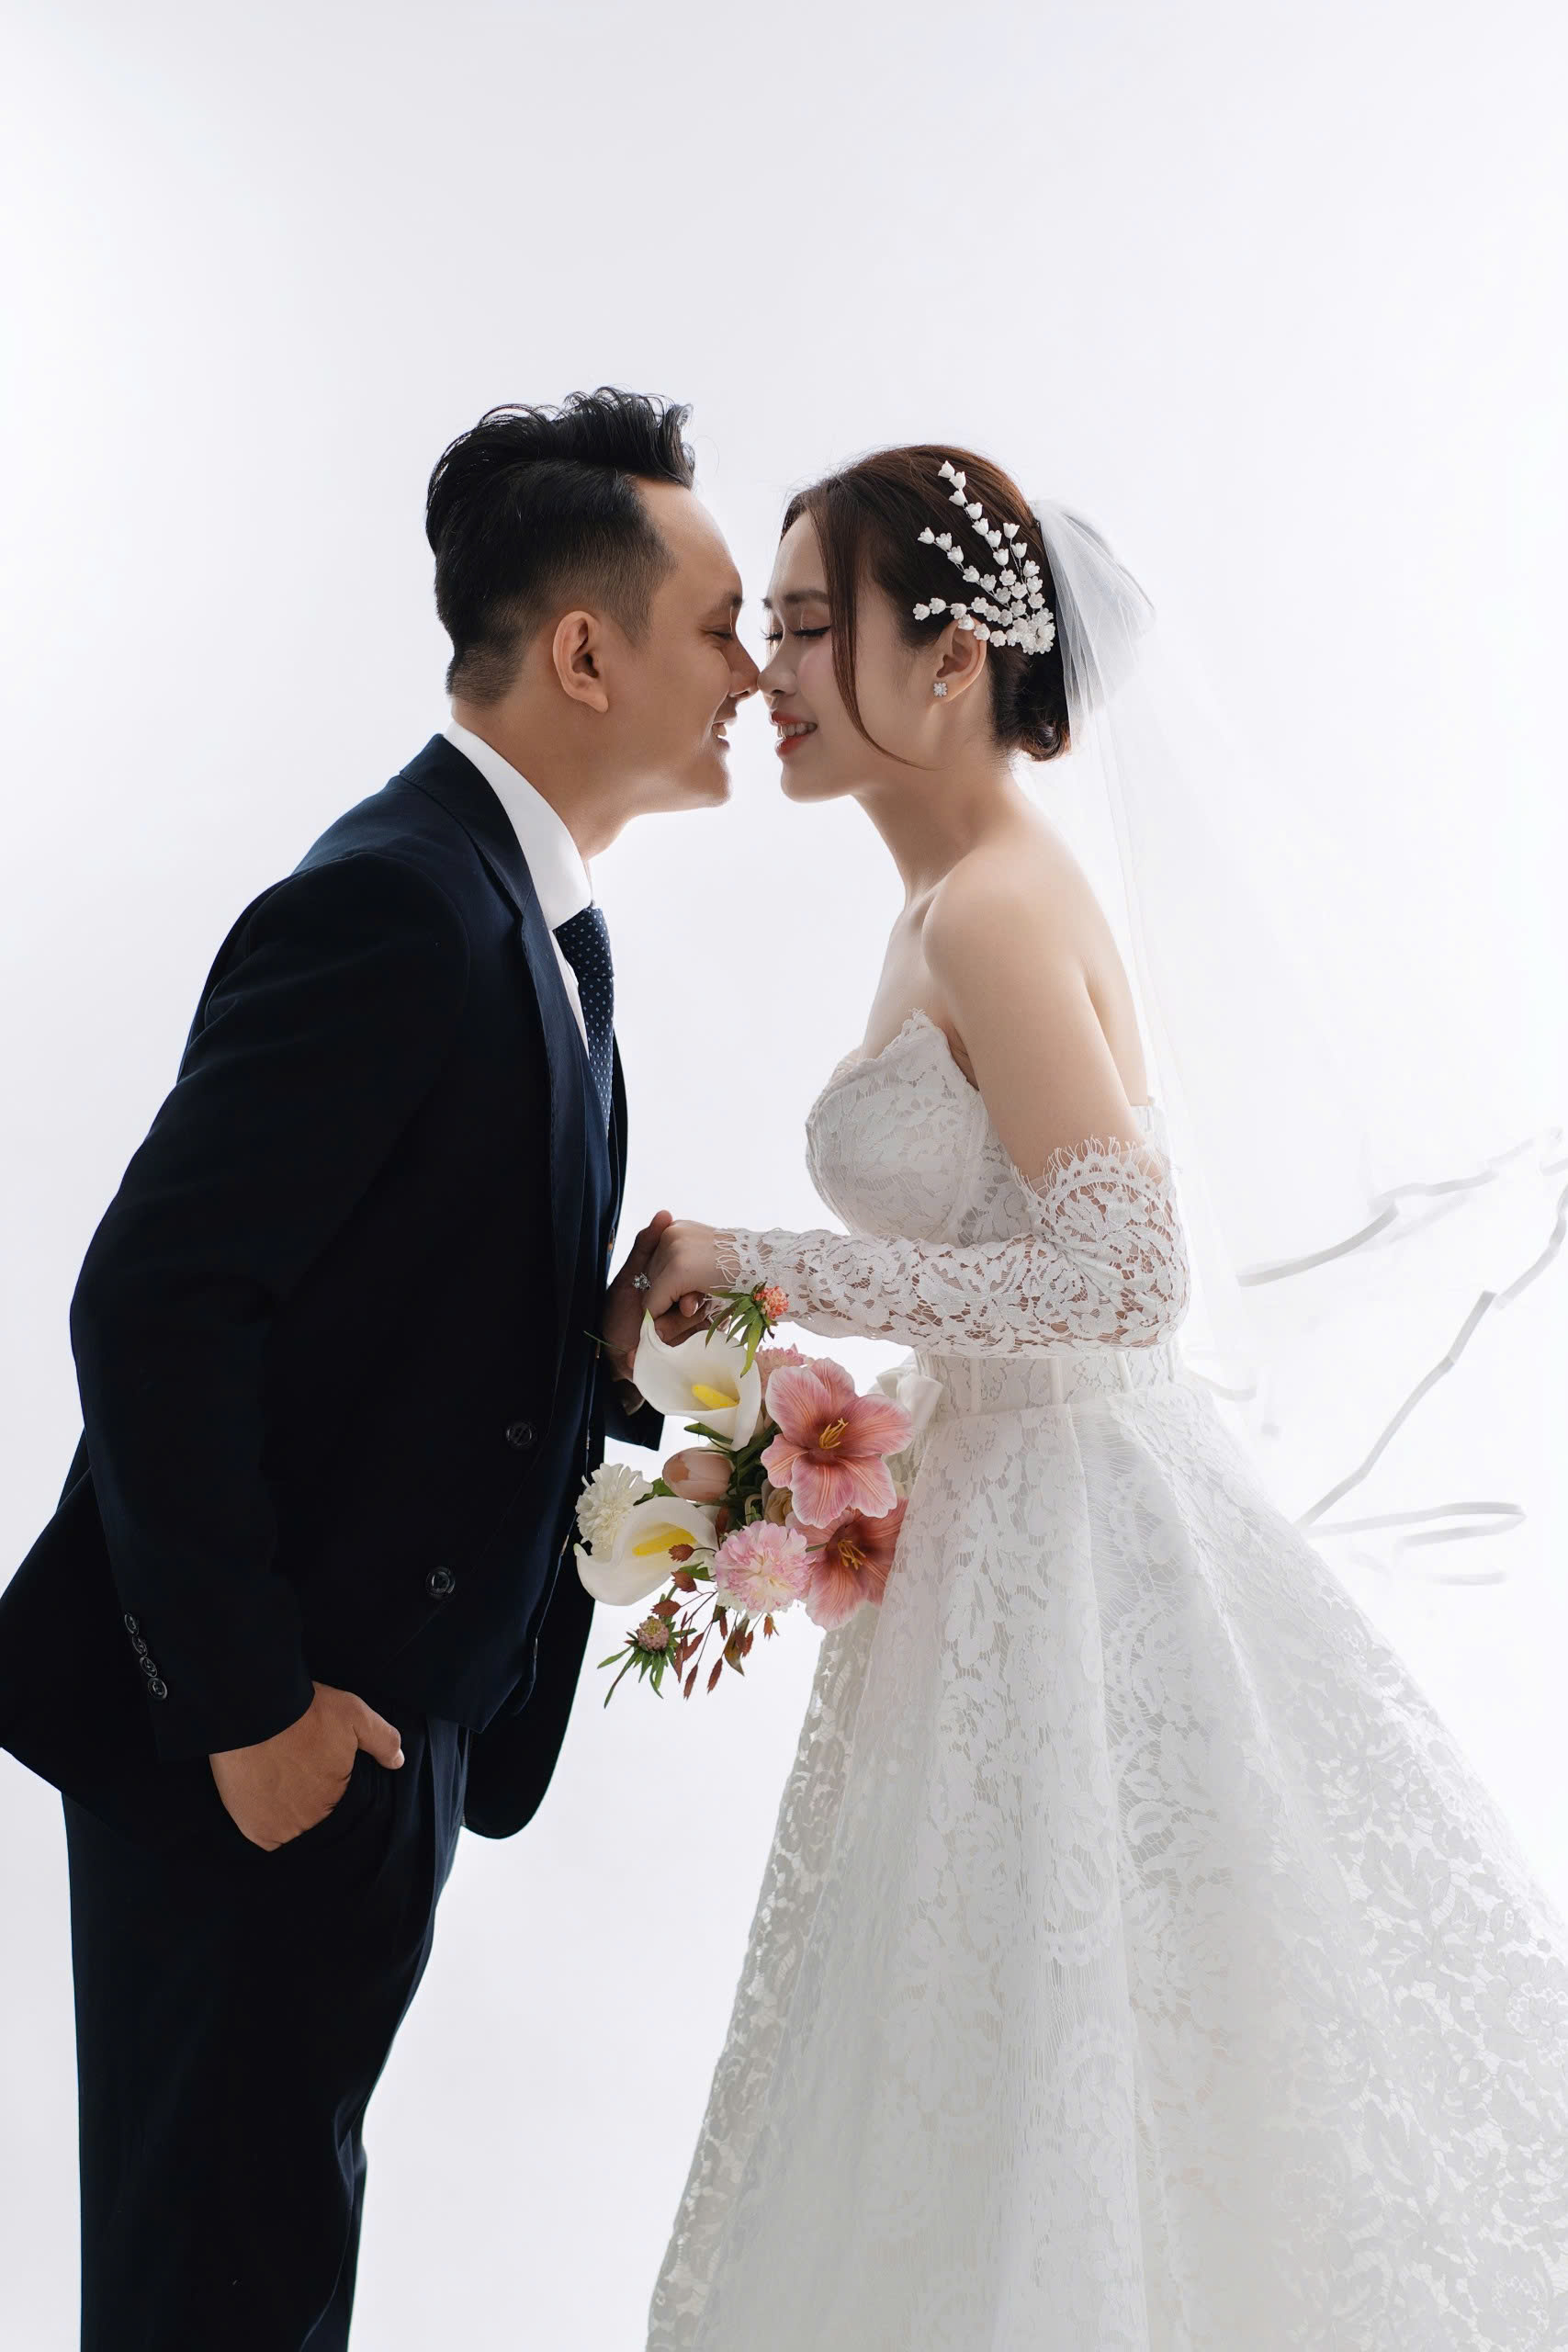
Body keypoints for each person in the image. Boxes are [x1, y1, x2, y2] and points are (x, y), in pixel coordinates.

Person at [637, 444, 1568, 2348]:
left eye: (808, 627)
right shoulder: (941, 899)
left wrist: (766, 1265)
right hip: (997, 1518)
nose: (770, 672)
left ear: (952, 656)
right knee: (1000, 2035)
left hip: (1070, 1536)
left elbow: (1127, 1280)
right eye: (775, 629)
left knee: (1080, 2031)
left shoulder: (988, 905)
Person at [0, 386, 755, 2351]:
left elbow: (413, 1311)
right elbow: (154, 1298)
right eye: (721, 627)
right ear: (585, 651)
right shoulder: (401, 902)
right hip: (250, 1750)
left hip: (380, 1741)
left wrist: (604, 1358)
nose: (755, 674)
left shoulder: (540, 928)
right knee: (212, 2295)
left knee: (269, 2271)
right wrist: (253, 1710)